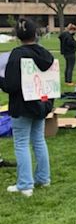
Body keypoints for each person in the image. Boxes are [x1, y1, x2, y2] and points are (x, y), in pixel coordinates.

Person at [0, 18, 54, 197]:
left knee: (21, 143)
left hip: (22, 105)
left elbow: (10, 85)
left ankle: (25, 184)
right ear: (35, 34)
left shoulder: (17, 54)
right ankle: (43, 178)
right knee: (38, 140)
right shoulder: (46, 54)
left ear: (18, 35)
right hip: (41, 104)